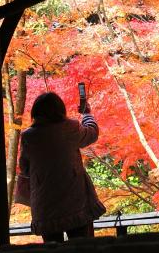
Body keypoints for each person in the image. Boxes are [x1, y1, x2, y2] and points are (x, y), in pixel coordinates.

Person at [17, 91, 105, 243]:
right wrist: (87, 114)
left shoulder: (28, 136)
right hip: (75, 202)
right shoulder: (70, 128)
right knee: (83, 249)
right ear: (60, 109)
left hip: (45, 204)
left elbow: (25, 168)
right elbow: (92, 133)